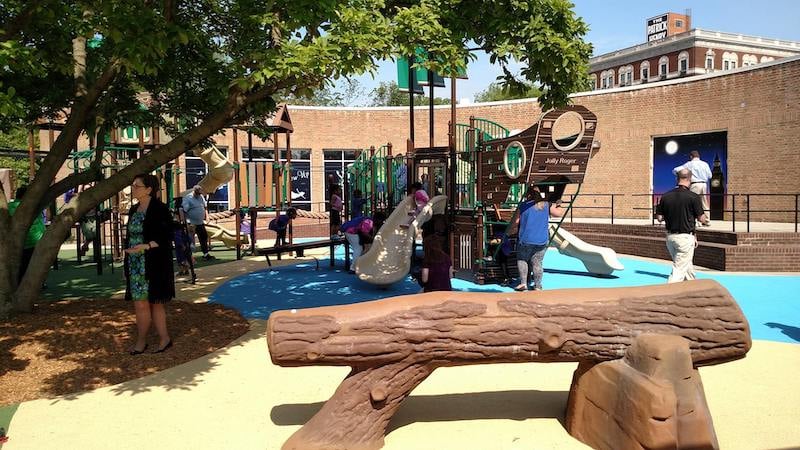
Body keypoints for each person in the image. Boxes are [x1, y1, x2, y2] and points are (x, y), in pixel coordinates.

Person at [124, 174, 175, 355]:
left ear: (148, 189)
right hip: (136, 263)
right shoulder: (133, 210)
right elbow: (130, 236)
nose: (133, 188)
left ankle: (164, 338)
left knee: (156, 302)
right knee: (141, 304)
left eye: (137, 186)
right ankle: (142, 341)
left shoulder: (160, 209)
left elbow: (166, 235)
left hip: (154, 262)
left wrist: (146, 246)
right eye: (133, 185)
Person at [656, 168, 710, 283]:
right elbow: (701, 218)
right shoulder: (693, 197)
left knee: (687, 266)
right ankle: (669, 295)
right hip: (685, 238)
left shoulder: (665, 196)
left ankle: (692, 287)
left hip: (670, 238)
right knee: (678, 271)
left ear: (677, 179)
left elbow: (660, 218)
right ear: (690, 179)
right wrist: (706, 220)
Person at [514, 186, 564, 291]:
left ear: (527, 194)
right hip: (541, 239)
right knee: (537, 262)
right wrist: (558, 204)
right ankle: (537, 285)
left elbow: (516, 222)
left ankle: (523, 283)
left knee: (522, 259)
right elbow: (558, 214)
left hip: (526, 238)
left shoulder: (523, 205)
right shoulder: (546, 205)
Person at [8, 186, 46, 283]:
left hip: (18, 243)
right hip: (36, 241)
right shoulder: (33, 205)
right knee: (32, 266)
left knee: (22, 266)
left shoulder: (8, 207)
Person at [672, 150, 712, 226]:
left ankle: (695, 221)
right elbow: (710, 176)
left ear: (691, 156)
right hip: (704, 184)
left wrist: (679, 175)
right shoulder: (705, 164)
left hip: (694, 184)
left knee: (692, 202)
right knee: (704, 202)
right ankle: (706, 220)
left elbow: (676, 169)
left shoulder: (689, 164)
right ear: (699, 156)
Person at [181, 185, 215, 260]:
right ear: (194, 192)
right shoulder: (188, 198)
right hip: (191, 222)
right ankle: (189, 257)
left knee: (204, 237)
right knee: (191, 241)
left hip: (200, 222)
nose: (199, 195)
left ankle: (205, 254)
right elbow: (183, 211)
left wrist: (207, 216)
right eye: (197, 194)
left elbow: (205, 207)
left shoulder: (201, 196)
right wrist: (186, 223)